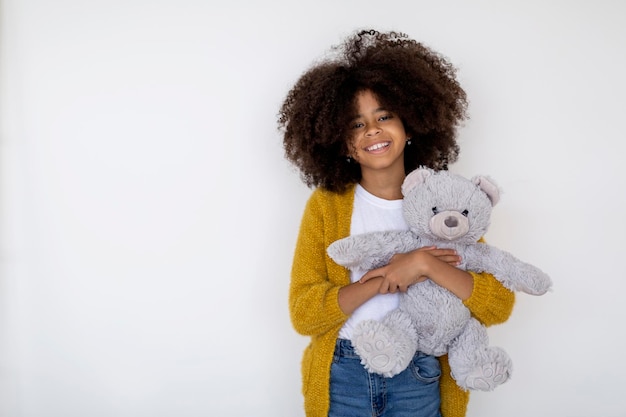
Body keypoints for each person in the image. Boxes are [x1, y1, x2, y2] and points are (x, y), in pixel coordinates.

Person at [278, 29, 515, 417]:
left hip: (419, 377)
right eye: (356, 124)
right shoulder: (327, 206)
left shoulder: (445, 202)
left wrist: (423, 264)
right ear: (341, 141)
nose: (372, 130)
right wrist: (383, 277)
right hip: (344, 376)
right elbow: (305, 312)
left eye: (384, 116)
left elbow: (498, 304)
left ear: (409, 125)